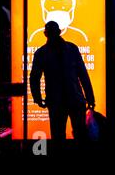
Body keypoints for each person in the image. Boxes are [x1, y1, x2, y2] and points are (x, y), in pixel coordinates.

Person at [30, 21, 95, 150]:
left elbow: (34, 78)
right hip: (75, 98)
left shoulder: (41, 53)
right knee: (80, 135)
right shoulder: (71, 49)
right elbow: (83, 75)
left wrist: (37, 98)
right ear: (59, 32)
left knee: (58, 137)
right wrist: (90, 97)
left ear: (45, 34)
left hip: (56, 101)